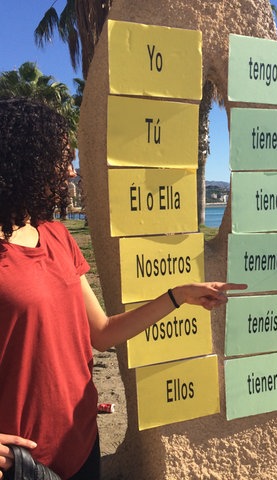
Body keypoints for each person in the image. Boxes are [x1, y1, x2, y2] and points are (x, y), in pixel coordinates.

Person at [0, 98, 246, 480]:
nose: (71, 171)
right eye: (62, 159)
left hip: (82, 443)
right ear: (27, 160)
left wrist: (178, 296)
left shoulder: (57, 236)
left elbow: (102, 333)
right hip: (22, 463)